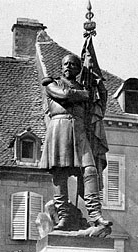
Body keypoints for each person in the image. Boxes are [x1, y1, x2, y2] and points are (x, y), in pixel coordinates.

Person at [40, 54, 110, 231]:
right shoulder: (52, 83)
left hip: (79, 131)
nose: (68, 67)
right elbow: (65, 95)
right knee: (60, 174)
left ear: (79, 70)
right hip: (60, 128)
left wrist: (98, 85)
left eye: (73, 65)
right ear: (61, 67)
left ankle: (95, 215)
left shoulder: (86, 89)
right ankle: (63, 216)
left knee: (90, 170)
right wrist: (85, 93)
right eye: (66, 64)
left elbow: (99, 105)